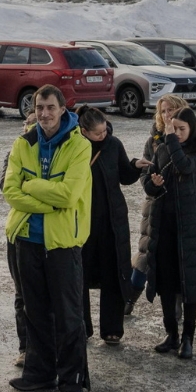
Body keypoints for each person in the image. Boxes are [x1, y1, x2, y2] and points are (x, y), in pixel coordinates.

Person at [2, 86, 92, 392]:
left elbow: (69, 195)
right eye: (39, 107)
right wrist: (48, 200)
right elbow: (11, 190)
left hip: (62, 242)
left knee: (68, 315)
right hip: (27, 239)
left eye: (50, 107)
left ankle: (72, 382)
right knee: (35, 310)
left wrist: (32, 186)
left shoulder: (79, 145)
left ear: (63, 109)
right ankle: (39, 372)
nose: (44, 114)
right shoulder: (23, 143)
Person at [141, 106, 196, 356]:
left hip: (192, 226)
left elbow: (185, 167)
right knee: (166, 281)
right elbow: (149, 184)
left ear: (191, 128)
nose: (178, 133)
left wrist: (170, 137)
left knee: (189, 285)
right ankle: (171, 334)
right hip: (165, 225)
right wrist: (153, 183)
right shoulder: (162, 149)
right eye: (175, 129)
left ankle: (188, 339)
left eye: (182, 129)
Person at [75, 107, 138, 345]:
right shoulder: (75, 147)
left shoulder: (113, 144)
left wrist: (136, 166)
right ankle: (82, 326)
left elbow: (125, 175)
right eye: (98, 133)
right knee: (79, 275)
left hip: (112, 221)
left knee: (114, 274)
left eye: (105, 130)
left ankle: (112, 329)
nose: (104, 135)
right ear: (84, 132)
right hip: (82, 221)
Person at [133, 94, 190, 305]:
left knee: (176, 257)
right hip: (155, 203)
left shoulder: (189, 137)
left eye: (171, 110)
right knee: (145, 251)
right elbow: (144, 171)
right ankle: (131, 295)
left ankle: (176, 303)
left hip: (180, 205)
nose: (167, 115)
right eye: (163, 111)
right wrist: (151, 185)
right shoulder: (153, 140)